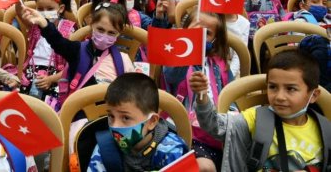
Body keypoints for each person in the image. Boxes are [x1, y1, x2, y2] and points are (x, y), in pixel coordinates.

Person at [192, 49, 330, 171]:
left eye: (291, 89)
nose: (280, 97)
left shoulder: (325, 130)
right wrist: (202, 95)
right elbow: (213, 125)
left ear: (314, 95)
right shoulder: (255, 119)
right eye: (273, 87)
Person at [20, 1, 135, 111]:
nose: (104, 36)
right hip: (79, 114)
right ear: (91, 24)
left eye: (111, 33)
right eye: (100, 29)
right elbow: (59, 42)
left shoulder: (123, 60)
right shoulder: (78, 50)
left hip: (109, 115)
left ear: (119, 33)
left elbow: (130, 93)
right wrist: (44, 24)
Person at [163, 11, 232, 171]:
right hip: (183, 131)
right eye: (196, 30)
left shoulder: (221, 65)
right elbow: (171, 76)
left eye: (206, 33)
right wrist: (187, 47)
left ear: (214, 40)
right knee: (204, 167)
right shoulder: (175, 60)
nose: (200, 36)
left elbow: (232, 98)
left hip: (216, 133)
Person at [84, 73, 190, 171]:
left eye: (125, 118)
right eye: (111, 116)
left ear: (152, 121)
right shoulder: (104, 149)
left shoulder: (171, 150)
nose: (115, 125)